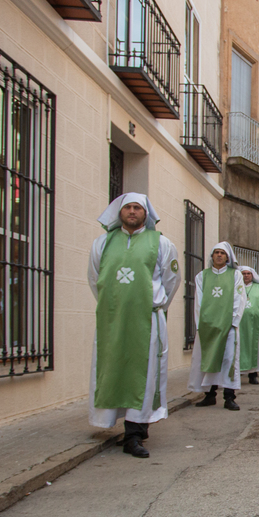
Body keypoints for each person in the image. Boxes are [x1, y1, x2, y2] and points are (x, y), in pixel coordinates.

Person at [87, 193, 181, 458]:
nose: (131, 211)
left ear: (145, 213)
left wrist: (154, 305)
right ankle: (124, 425)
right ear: (119, 212)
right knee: (113, 367)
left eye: (137, 207)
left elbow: (171, 281)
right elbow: (95, 278)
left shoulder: (161, 243)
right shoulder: (102, 243)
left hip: (146, 319)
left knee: (145, 371)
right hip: (113, 319)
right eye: (127, 207)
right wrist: (115, 304)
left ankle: (135, 433)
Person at [188, 242, 248, 410]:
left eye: (222, 253)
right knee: (209, 357)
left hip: (228, 325)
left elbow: (239, 298)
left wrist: (233, 321)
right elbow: (198, 301)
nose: (219, 255)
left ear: (228, 257)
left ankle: (229, 397)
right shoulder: (202, 276)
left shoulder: (235, 275)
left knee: (228, 359)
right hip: (208, 326)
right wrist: (201, 324)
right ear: (212, 256)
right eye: (217, 253)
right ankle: (210, 395)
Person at [238, 266, 259, 384]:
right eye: (243, 273)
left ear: (252, 275)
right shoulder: (236, 287)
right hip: (238, 324)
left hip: (254, 325)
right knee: (238, 349)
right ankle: (236, 375)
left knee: (254, 349)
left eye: (248, 273)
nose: (246, 275)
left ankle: (252, 375)